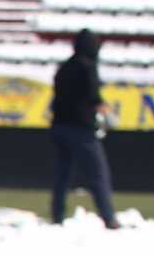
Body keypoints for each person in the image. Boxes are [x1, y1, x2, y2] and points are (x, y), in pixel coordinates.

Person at [51, 30, 120, 230]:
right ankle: (109, 218)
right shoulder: (87, 67)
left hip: (59, 126)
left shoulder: (64, 68)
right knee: (98, 174)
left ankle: (57, 216)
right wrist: (108, 116)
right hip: (81, 129)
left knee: (62, 176)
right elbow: (93, 97)